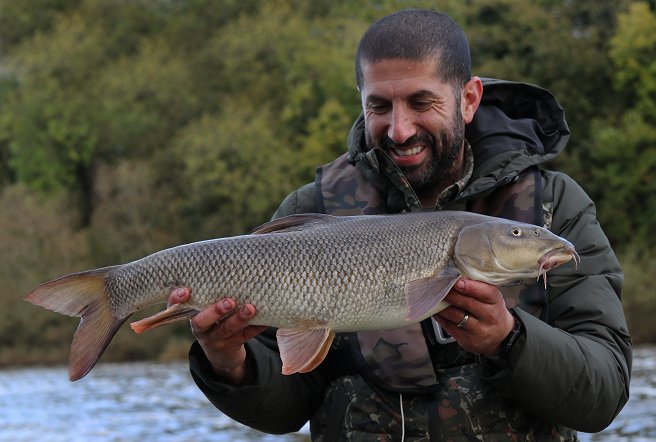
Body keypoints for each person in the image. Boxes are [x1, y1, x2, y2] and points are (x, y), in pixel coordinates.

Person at [167, 9, 631, 441]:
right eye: (380, 106)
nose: (399, 129)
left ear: (468, 99)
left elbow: (604, 393)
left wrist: (509, 340)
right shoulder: (314, 208)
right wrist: (228, 363)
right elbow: (286, 408)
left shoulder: (552, 207)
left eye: (420, 102)